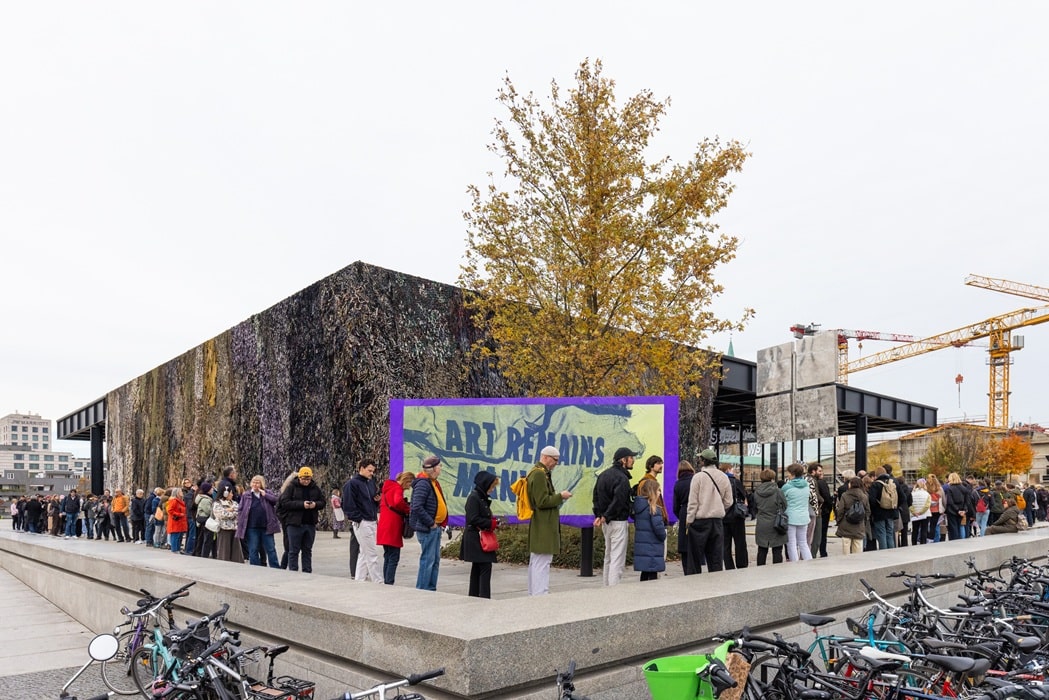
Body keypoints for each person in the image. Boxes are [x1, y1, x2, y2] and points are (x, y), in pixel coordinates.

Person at [527, 446, 572, 595]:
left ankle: (534, 593)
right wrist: (561, 496)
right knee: (542, 562)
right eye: (555, 460)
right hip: (544, 524)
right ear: (545, 457)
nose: (556, 464)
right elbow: (542, 501)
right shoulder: (540, 474)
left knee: (536, 562)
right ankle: (540, 594)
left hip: (540, 523)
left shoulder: (536, 472)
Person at [592, 447, 636, 586]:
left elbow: (596, 497)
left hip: (606, 523)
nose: (633, 460)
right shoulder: (622, 478)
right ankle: (614, 589)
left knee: (608, 557)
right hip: (618, 521)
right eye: (631, 457)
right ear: (623, 460)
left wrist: (599, 515)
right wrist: (605, 516)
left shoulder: (603, 475)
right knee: (617, 558)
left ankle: (606, 587)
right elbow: (619, 501)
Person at [686, 448, 733, 573]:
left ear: (703, 461)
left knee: (694, 557)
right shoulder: (724, 477)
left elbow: (693, 502)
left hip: (700, 521)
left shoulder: (698, 477)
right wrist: (718, 507)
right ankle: (716, 581)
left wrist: (689, 519)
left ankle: (694, 580)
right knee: (715, 557)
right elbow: (729, 501)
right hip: (717, 521)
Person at [411, 456, 449, 591]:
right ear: (433, 469)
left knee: (434, 561)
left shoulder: (432, 482)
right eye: (439, 466)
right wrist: (431, 523)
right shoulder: (423, 483)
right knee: (428, 560)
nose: (441, 468)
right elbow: (417, 506)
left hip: (435, 527)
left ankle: (431, 588)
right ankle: (423, 589)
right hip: (428, 528)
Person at [279, 467, 325, 573]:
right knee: (293, 550)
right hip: (294, 524)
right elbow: (284, 503)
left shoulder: (315, 488)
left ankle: (307, 572)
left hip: (310, 523)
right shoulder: (291, 487)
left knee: (307, 550)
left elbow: (322, 502)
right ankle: (293, 571)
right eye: (303, 479)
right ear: (299, 477)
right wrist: (302, 504)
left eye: (308, 479)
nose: (306, 481)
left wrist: (315, 504)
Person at [460, 471, 499, 598]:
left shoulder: (480, 497)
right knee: (485, 565)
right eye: (492, 486)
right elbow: (473, 518)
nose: (492, 489)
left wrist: (493, 521)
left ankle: (475, 595)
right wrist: (490, 523)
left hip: (478, 536)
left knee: (478, 566)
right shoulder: (474, 497)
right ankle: (484, 596)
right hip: (475, 537)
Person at [346, 459, 383, 583]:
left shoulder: (370, 482)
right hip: (362, 521)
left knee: (364, 552)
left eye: (373, 471)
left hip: (370, 519)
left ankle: (359, 579)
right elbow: (348, 504)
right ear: (361, 468)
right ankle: (378, 581)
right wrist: (358, 519)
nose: (371, 473)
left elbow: (369, 501)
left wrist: (376, 501)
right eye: (369, 470)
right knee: (371, 553)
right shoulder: (352, 484)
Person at [377, 471, 413, 585]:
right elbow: (398, 502)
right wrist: (407, 509)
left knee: (387, 555)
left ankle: (386, 581)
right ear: (406, 480)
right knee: (394, 557)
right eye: (409, 484)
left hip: (384, 526)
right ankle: (389, 582)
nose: (409, 487)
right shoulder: (397, 488)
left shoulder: (387, 488)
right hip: (393, 526)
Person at [237, 475, 281, 568]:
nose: (255, 484)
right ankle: (255, 568)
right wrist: (240, 522)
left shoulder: (267, 493)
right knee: (253, 549)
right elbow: (240, 509)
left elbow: (276, 501)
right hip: (252, 526)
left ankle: (275, 567)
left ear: (262, 484)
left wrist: (265, 495)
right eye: (253, 482)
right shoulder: (246, 495)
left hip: (267, 526)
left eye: (258, 483)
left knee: (271, 549)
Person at [751, 468, 788, 565]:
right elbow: (785, 506)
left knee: (762, 549)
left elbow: (754, 507)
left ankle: (760, 569)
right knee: (777, 549)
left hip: (762, 523)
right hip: (776, 523)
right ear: (772, 478)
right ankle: (776, 570)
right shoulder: (778, 491)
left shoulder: (756, 492)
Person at [633, 478, 666, 582]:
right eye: (658, 490)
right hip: (653, 546)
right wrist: (663, 535)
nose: (659, 492)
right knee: (652, 573)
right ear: (652, 492)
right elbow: (658, 528)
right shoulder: (654, 509)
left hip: (642, 545)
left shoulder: (638, 507)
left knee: (644, 572)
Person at [781, 463, 813, 561]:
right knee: (803, 543)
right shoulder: (807, 485)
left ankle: (795, 565)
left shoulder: (786, 487)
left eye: (788, 473)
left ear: (793, 474)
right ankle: (809, 563)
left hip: (790, 518)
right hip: (804, 517)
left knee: (791, 544)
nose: (787, 475)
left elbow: (781, 500)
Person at [721, 462, 749, 569]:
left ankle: (729, 566)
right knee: (740, 542)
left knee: (725, 544)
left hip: (724, 516)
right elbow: (743, 496)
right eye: (732, 469)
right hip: (737, 516)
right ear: (728, 469)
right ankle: (741, 564)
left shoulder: (720, 482)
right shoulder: (735, 481)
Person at [672, 461, 696, 574]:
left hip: (683, 512)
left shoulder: (678, 484)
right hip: (696, 512)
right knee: (695, 543)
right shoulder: (695, 480)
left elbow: (675, 507)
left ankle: (687, 570)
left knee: (684, 545)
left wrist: (681, 515)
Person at [835, 476, 870, 554]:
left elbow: (840, 510)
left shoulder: (845, 495)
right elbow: (868, 511)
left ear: (851, 485)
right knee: (858, 549)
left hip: (846, 525)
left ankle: (847, 561)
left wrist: (839, 520)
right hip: (859, 526)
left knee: (846, 550)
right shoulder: (864, 496)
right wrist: (864, 521)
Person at [868, 466, 898, 550]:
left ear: (876, 475)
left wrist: (876, 508)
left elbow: (871, 500)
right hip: (891, 512)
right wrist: (894, 506)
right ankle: (891, 552)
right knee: (890, 533)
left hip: (879, 514)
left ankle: (884, 552)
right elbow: (902, 497)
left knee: (881, 534)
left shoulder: (875, 484)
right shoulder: (893, 482)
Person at [212, 486, 243, 563]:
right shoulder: (217, 503)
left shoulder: (234, 503)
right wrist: (231, 512)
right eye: (230, 493)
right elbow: (220, 514)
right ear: (225, 493)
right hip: (224, 528)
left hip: (234, 528)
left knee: (236, 550)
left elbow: (239, 512)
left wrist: (228, 511)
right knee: (224, 550)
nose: (232, 495)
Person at [945, 472, 971, 540]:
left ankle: (954, 541)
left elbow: (950, 502)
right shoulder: (964, 488)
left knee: (953, 528)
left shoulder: (950, 489)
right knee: (960, 526)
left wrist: (957, 510)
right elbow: (967, 501)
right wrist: (964, 510)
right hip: (962, 510)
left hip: (952, 511)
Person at [814, 465, 834, 557]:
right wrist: (829, 507)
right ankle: (823, 552)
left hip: (817, 510)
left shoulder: (812, 482)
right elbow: (826, 497)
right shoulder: (821, 482)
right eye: (819, 471)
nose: (821, 473)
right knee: (822, 533)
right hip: (823, 511)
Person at [193, 482, 215, 558]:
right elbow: (208, 511)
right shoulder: (205, 500)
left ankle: (200, 553)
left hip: (203, 521)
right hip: (206, 520)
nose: (212, 490)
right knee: (206, 539)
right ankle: (204, 554)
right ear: (207, 490)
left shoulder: (205, 498)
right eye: (211, 488)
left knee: (202, 538)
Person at [909, 478, 932, 544]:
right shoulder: (927, 494)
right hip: (925, 514)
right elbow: (927, 505)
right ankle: (923, 543)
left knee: (915, 530)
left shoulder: (912, 494)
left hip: (915, 515)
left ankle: (914, 543)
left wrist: (914, 512)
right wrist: (921, 512)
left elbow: (910, 504)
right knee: (924, 530)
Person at [166, 488, 188, 553]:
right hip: (175, 521)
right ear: (177, 493)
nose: (182, 492)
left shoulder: (181, 501)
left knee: (179, 536)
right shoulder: (174, 501)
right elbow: (170, 510)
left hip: (180, 521)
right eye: (180, 491)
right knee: (175, 536)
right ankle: (174, 549)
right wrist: (179, 514)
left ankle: (177, 549)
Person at [926, 474, 944, 543]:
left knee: (926, 525)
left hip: (928, 510)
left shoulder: (926, 489)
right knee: (933, 525)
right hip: (937, 510)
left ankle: (927, 538)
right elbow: (943, 499)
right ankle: (931, 539)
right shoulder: (939, 489)